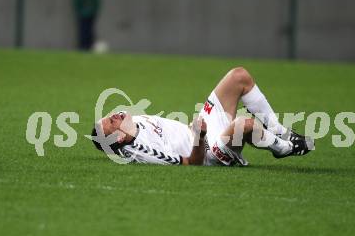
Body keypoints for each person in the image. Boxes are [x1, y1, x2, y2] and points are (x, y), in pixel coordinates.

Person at [91, 67, 314, 166]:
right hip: (208, 153)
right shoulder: (143, 151)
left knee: (239, 76)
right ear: (119, 139)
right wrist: (199, 136)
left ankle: (282, 133)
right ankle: (284, 148)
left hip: (203, 131)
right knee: (243, 125)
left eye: (110, 115)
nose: (115, 115)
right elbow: (191, 163)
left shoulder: (132, 124)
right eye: (112, 122)